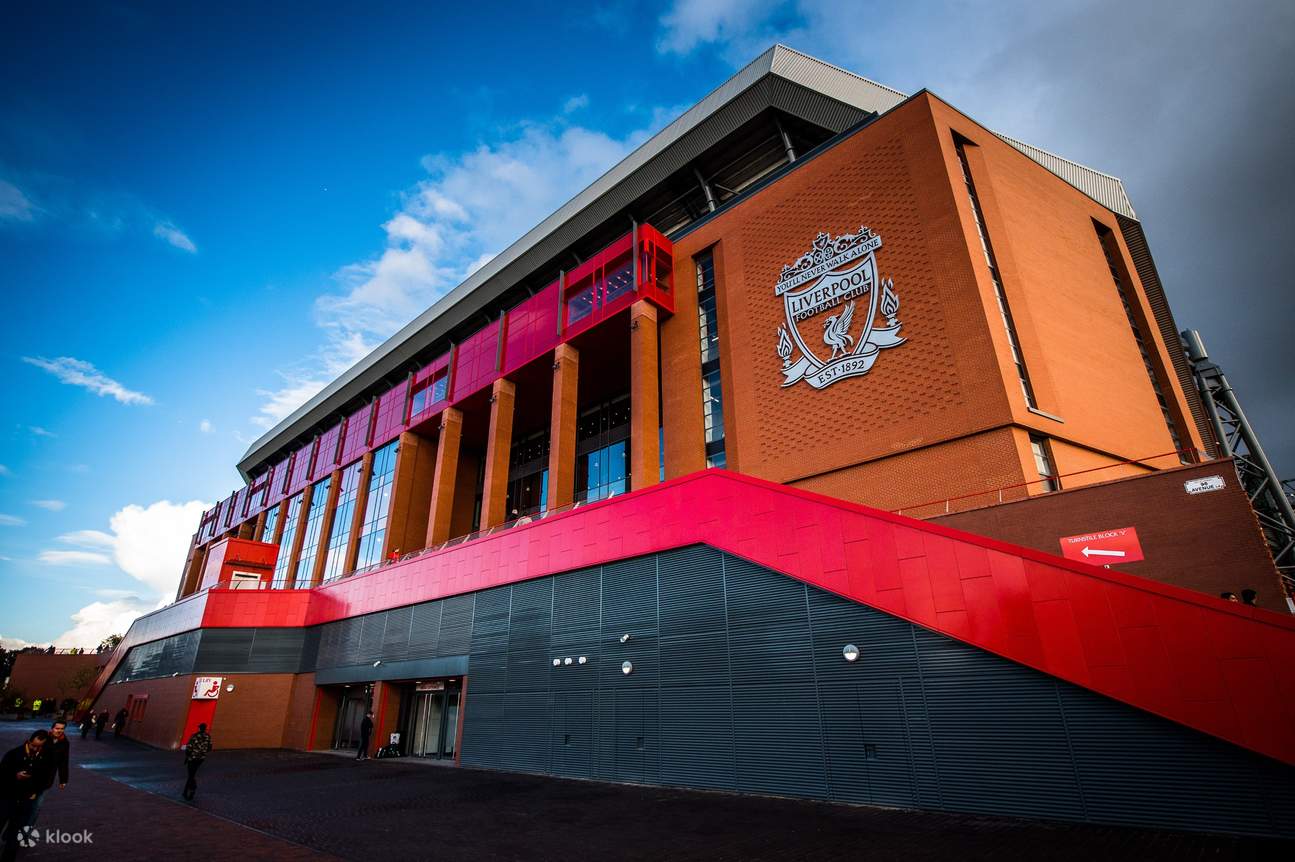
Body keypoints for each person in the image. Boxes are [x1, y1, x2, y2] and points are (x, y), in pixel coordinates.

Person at [0, 730, 48, 862]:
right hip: (7, 798)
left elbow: (44, 778)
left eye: (39, 746)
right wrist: (15, 776)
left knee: (16, 834)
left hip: (25, 801)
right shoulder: (13, 754)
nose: (36, 748)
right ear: (29, 741)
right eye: (34, 745)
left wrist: (35, 791)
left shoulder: (42, 758)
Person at [27, 720, 69, 829]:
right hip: (32, 777)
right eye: (57, 728)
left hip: (46, 780)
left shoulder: (65, 742)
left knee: (36, 807)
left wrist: (63, 779)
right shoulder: (44, 738)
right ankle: (12, 829)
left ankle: (25, 832)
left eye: (62, 728)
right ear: (52, 728)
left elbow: (64, 761)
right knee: (24, 805)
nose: (59, 731)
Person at [181, 723, 212, 801]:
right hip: (200, 758)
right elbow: (209, 748)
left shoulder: (194, 736)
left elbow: (189, 747)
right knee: (192, 774)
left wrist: (187, 756)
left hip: (192, 758)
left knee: (191, 775)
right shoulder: (208, 736)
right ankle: (185, 792)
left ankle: (192, 788)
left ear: (199, 728)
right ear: (205, 728)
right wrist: (202, 752)